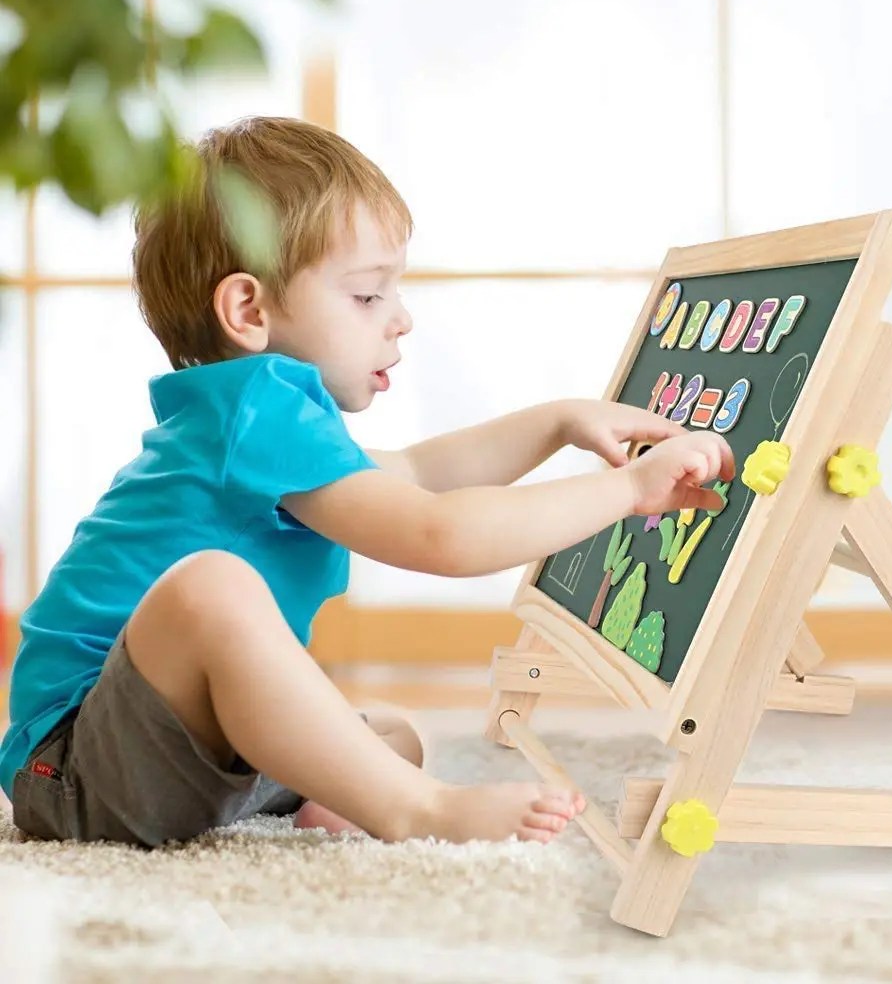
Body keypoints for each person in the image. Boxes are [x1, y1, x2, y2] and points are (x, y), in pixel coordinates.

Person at [0, 117, 734, 848]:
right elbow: (438, 534)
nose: (401, 319)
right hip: (69, 770)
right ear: (249, 311)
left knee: (390, 735)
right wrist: (628, 491)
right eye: (367, 296)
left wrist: (555, 422)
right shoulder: (255, 412)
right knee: (211, 587)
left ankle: (321, 797)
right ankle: (421, 811)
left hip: (168, 752)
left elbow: (417, 473)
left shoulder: (259, 419)